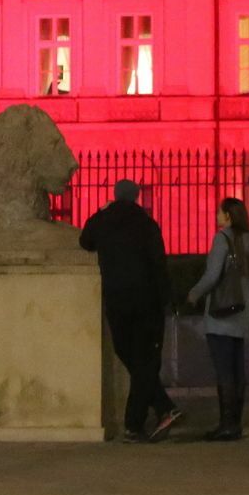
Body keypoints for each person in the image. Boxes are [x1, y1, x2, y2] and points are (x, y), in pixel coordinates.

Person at [79, 179, 182, 443]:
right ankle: (149, 415)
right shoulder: (146, 224)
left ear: (115, 195)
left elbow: (85, 240)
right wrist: (166, 300)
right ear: (136, 197)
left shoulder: (104, 220)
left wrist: (101, 211)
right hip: (147, 301)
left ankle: (151, 415)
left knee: (127, 353)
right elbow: (159, 264)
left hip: (117, 299)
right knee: (146, 360)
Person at [186, 195, 249, 441]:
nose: (217, 215)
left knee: (224, 371)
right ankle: (235, 423)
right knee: (237, 370)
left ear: (227, 216)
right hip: (240, 312)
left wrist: (193, 294)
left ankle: (226, 424)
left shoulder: (222, 239)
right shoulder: (248, 239)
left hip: (220, 314)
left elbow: (212, 275)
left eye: (220, 212)